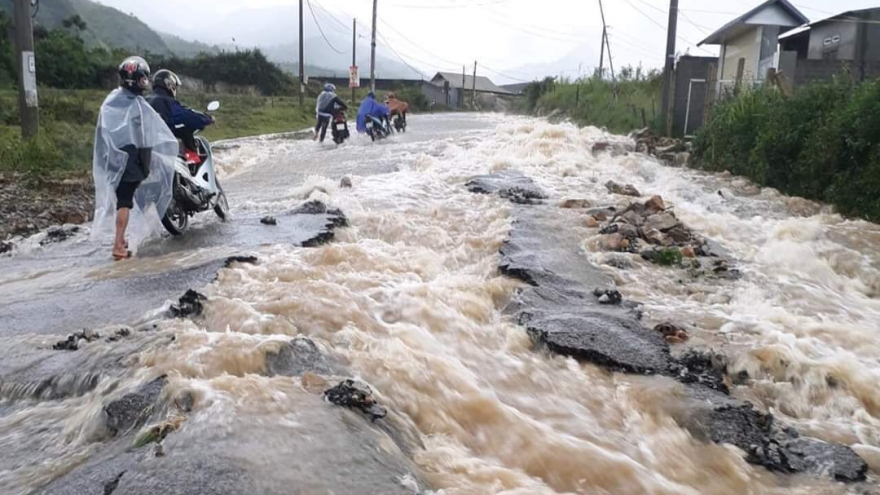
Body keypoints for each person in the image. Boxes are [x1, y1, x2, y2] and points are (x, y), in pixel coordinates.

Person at [91, 57, 178, 260]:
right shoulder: (138, 105)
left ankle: (120, 241)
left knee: (122, 199)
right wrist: (145, 166)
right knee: (125, 202)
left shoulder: (111, 100)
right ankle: (118, 245)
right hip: (129, 160)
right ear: (141, 79)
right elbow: (145, 138)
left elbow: (102, 132)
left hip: (111, 159)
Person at [146, 69, 213, 152]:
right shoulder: (167, 102)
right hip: (162, 148)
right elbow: (186, 115)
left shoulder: (145, 100)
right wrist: (206, 119)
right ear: (169, 84)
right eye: (174, 86)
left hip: (144, 144)